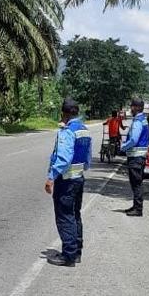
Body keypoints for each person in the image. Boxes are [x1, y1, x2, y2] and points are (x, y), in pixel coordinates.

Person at [44, 98, 92, 266]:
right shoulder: (84, 129)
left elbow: (63, 159)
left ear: (64, 113)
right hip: (79, 178)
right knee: (75, 214)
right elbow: (87, 159)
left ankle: (68, 255)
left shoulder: (67, 131)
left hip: (66, 181)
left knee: (65, 216)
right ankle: (77, 251)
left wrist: (51, 177)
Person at [119, 98, 149, 217]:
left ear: (137, 108)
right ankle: (135, 206)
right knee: (137, 183)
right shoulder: (143, 120)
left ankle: (138, 209)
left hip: (136, 158)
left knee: (136, 184)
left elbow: (133, 139)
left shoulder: (137, 122)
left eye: (132, 106)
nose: (130, 109)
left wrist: (123, 147)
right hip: (140, 157)